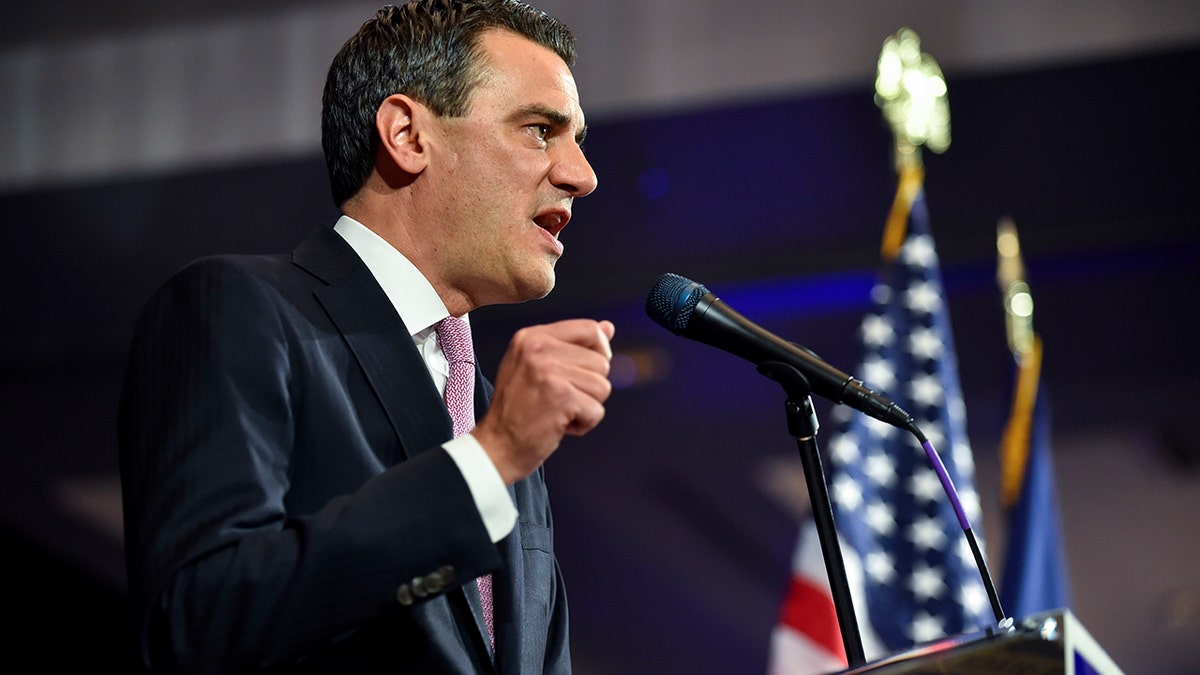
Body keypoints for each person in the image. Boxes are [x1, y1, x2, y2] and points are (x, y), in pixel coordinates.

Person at [117, 1, 611, 672]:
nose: (581, 174)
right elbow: (200, 619)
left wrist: (496, 454)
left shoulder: (495, 412)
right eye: (538, 129)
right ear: (408, 135)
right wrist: (487, 462)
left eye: (576, 137)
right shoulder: (237, 310)